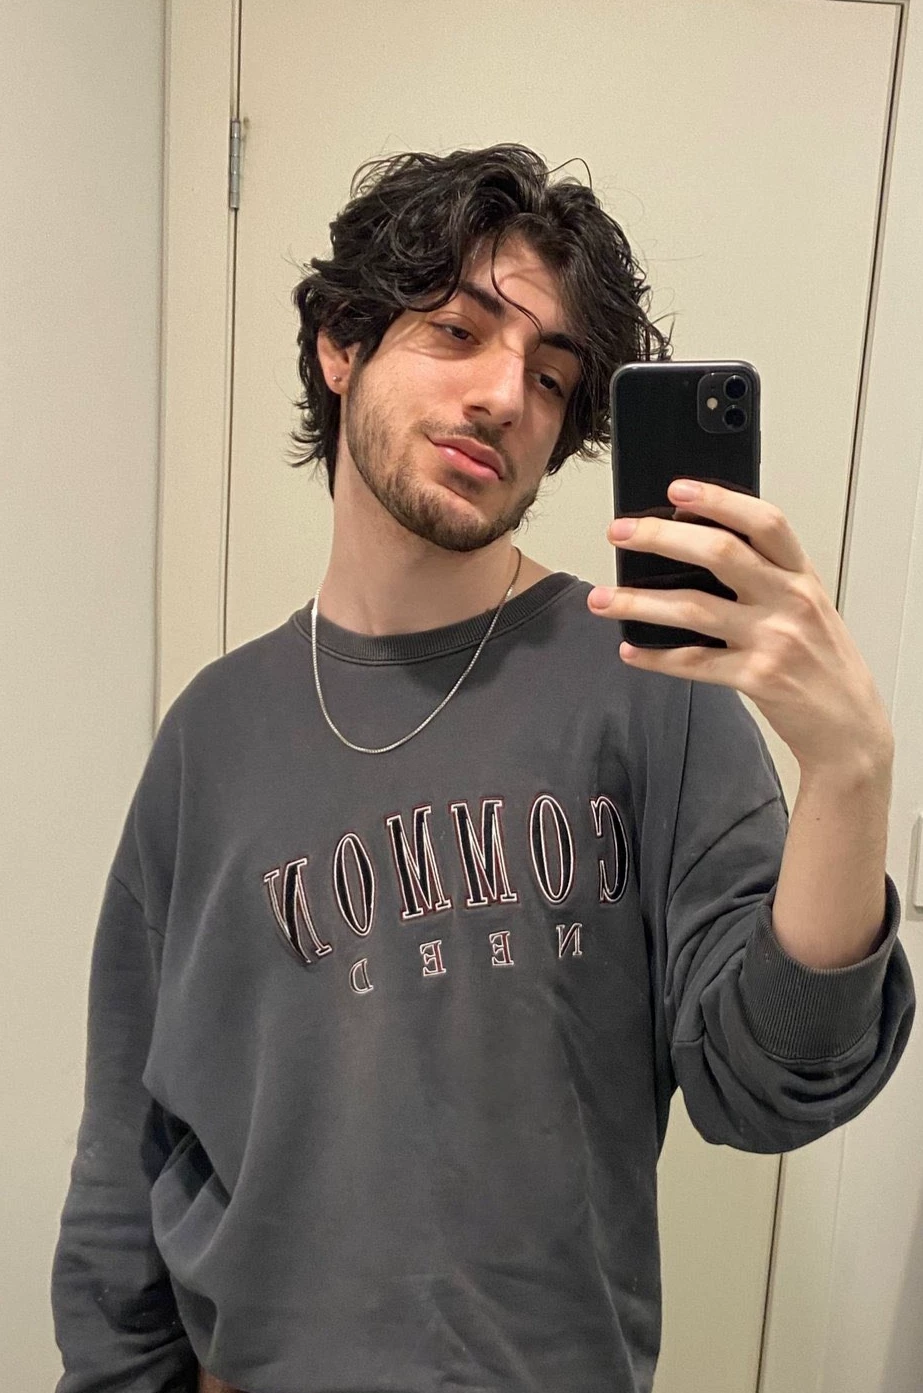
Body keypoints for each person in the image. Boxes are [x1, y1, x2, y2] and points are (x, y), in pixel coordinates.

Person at [52, 144, 914, 1393]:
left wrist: (849, 771)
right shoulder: (210, 737)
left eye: (549, 375)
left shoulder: (646, 684)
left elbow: (769, 1085)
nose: (505, 394)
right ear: (340, 345)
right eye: (456, 331)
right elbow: (125, 1167)